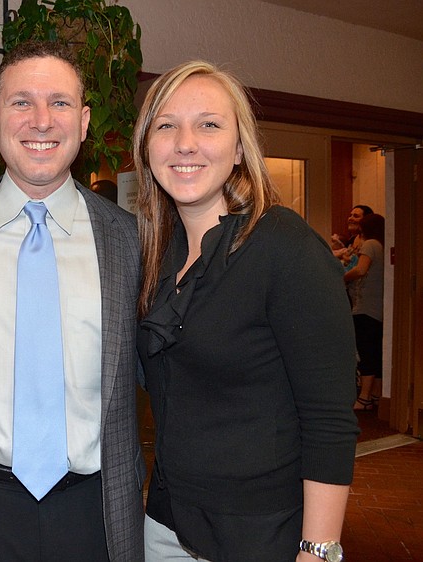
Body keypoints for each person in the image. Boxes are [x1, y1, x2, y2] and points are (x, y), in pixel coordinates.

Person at [0, 40, 144, 561]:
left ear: (83, 121)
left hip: (95, 511)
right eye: (21, 102)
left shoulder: (132, 241)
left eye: (59, 103)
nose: (41, 120)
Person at [132, 60, 358, 561]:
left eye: (208, 124)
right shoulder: (153, 258)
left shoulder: (284, 247)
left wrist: (317, 551)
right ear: (148, 148)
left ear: (239, 149)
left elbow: (328, 420)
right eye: (166, 125)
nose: (185, 142)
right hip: (166, 525)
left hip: (261, 536)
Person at [344, 212, 385, 411]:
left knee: (367, 351)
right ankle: (377, 395)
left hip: (365, 307)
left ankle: (364, 396)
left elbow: (360, 270)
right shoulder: (382, 246)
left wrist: (341, 278)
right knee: (376, 352)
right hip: (378, 308)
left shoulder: (369, 245)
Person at [331, 204, 373, 269]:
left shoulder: (370, 243)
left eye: (356, 216)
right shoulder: (352, 239)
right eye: (350, 215)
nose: (350, 218)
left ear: (366, 220)